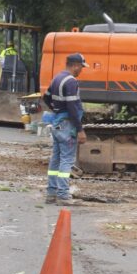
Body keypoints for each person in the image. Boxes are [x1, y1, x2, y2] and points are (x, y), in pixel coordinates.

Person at [41, 53, 88, 205]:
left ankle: (51, 193)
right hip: (67, 125)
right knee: (67, 160)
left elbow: (46, 97)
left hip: (57, 123)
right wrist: (80, 130)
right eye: (81, 67)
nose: (81, 70)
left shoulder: (57, 78)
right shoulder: (71, 81)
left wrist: (57, 110)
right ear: (75, 65)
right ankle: (62, 195)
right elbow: (73, 108)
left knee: (55, 159)